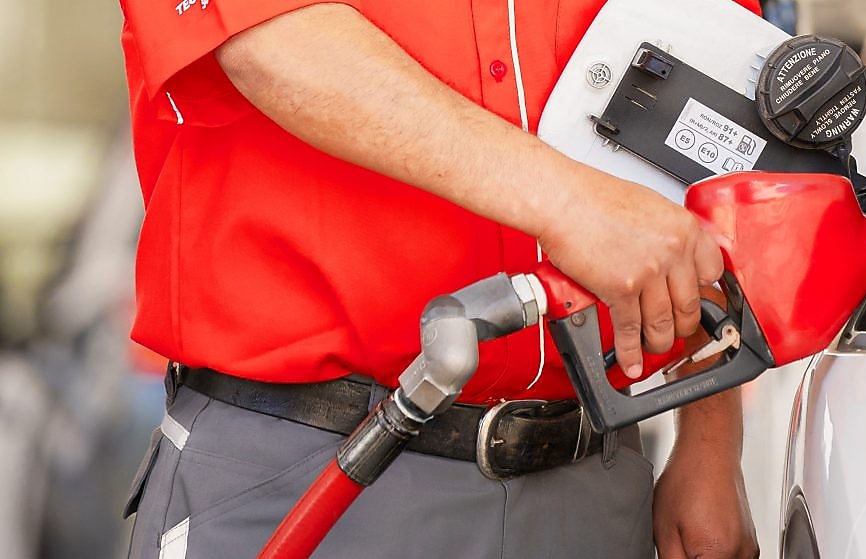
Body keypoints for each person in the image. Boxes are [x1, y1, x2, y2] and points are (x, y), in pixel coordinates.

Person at [118, 1, 762, 558]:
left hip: (593, 481)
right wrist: (571, 205)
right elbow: (265, 38)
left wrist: (711, 439)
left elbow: (721, 88)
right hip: (303, 477)